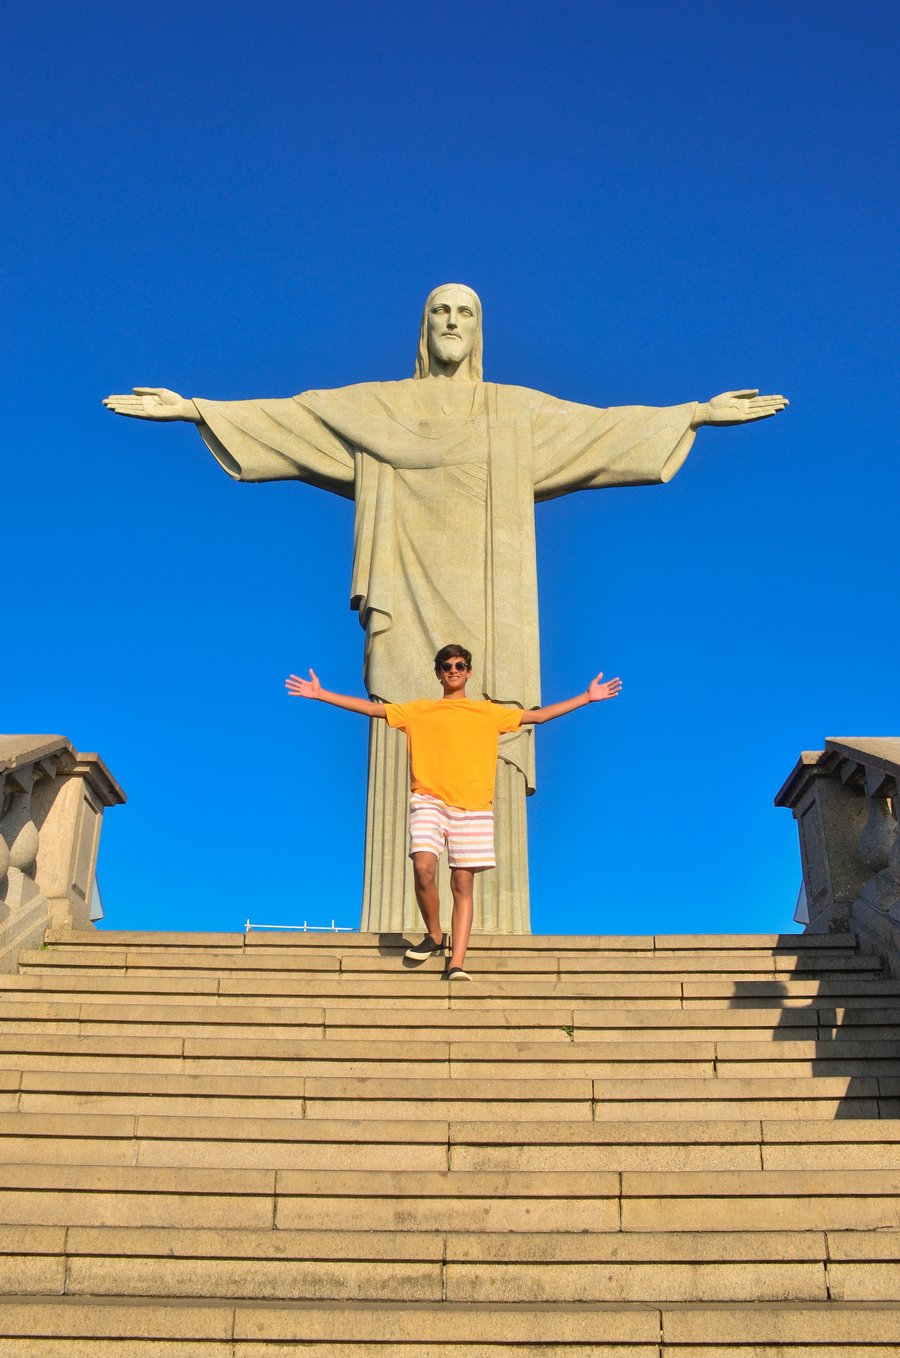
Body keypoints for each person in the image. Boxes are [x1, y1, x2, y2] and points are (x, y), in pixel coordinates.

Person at [104, 283, 787, 934]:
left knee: (490, 734)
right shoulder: (379, 408)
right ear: (424, 328)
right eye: (440, 312)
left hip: (495, 601)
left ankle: (464, 938)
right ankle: (424, 929)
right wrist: (197, 408)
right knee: (407, 736)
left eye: (465, 311)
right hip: (403, 591)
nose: (453, 322)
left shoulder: (512, 413)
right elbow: (295, 416)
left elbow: (601, 432)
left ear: (479, 328)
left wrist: (694, 413)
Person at [285, 643, 622, 979]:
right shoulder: (419, 711)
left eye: (460, 666)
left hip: (473, 806)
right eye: (447, 667)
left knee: (462, 884)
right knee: (423, 866)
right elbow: (373, 711)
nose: (453, 671)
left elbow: (538, 716)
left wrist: (586, 697)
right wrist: (321, 694)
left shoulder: (488, 712)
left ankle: (456, 962)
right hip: (429, 799)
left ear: (468, 671)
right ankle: (434, 935)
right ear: (438, 673)